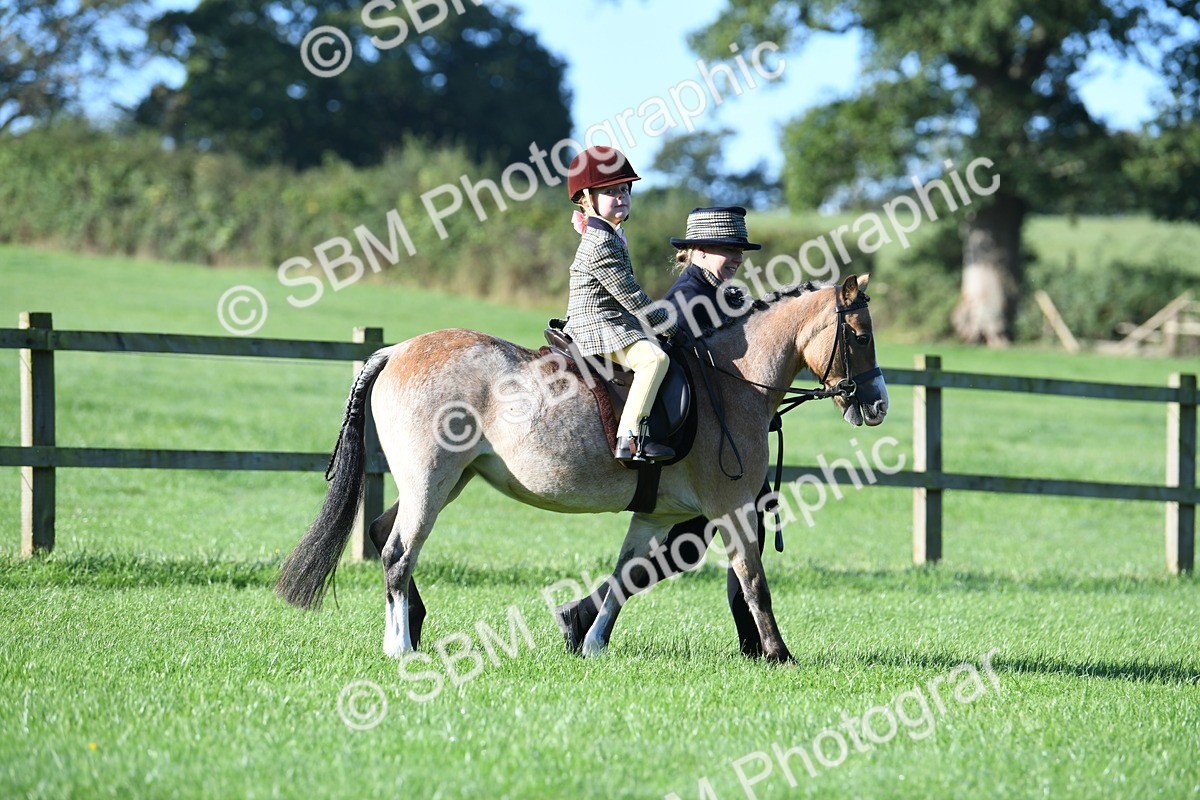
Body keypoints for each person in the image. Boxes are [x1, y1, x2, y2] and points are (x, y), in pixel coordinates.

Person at [555, 206, 777, 658]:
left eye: (737, 249)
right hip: (700, 451)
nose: (733, 257)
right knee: (713, 543)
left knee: (687, 551)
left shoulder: (723, 293)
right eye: (722, 249)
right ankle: (757, 647)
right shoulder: (688, 295)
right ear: (694, 251)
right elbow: (687, 367)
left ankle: (584, 614)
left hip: (717, 449)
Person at [562, 146, 681, 462]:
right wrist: (672, 325)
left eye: (625, 189)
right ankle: (629, 439)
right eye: (611, 191)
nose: (622, 196)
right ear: (587, 199)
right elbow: (632, 297)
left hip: (611, 319)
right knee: (654, 360)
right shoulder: (601, 243)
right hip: (597, 324)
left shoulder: (611, 235)